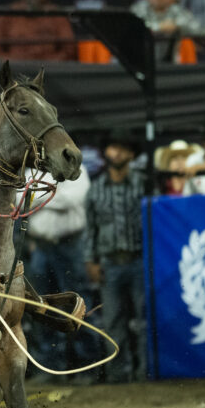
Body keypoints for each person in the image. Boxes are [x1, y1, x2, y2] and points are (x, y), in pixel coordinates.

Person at [84, 133, 146, 383]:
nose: (116, 153)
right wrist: (91, 261)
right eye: (113, 148)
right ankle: (118, 374)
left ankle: (144, 372)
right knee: (113, 321)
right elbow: (91, 229)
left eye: (122, 149)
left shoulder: (143, 185)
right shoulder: (95, 189)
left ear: (131, 155)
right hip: (110, 262)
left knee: (143, 319)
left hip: (139, 260)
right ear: (105, 153)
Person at [22, 165, 92, 382]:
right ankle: (51, 366)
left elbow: (72, 200)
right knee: (42, 306)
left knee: (77, 305)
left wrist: (37, 197)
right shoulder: (31, 173)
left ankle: (85, 366)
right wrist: (55, 194)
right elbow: (20, 201)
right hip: (41, 246)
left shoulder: (76, 170)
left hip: (69, 245)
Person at [0, 0, 77, 61]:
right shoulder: (7, 14)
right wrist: (16, 64)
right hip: (13, 71)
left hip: (49, 72)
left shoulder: (56, 15)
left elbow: (69, 51)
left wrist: (45, 65)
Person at [131, 0, 201, 62]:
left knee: (187, 42)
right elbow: (132, 28)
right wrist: (159, 27)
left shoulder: (178, 11)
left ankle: (188, 72)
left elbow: (196, 29)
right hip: (143, 59)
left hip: (174, 62)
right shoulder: (139, 9)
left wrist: (177, 27)